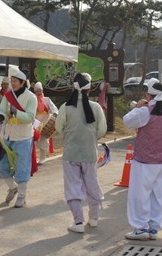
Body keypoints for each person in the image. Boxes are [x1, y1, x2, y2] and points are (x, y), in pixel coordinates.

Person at [122, 78, 162, 240]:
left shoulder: (145, 112)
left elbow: (127, 121)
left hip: (144, 160)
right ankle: (154, 227)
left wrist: (138, 106)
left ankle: (140, 227)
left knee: (139, 195)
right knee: (158, 196)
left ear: (148, 95)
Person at [55, 73, 107, 233]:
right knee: (92, 184)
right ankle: (94, 218)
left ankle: (78, 222)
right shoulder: (96, 107)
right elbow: (102, 130)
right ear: (89, 89)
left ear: (74, 87)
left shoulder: (65, 107)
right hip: (90, 153)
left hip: (71, 153)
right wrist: (91, 137)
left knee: (73, 187)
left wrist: (69, 135)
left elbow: (58, 127)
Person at [0, 70, 37, 208]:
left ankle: (22, 196)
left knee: (22, 167)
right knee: (1, 164)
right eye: (11, 80)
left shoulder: (31, 97)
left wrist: (15, 112)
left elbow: (30, 117)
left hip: (24, 136)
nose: (12, 83)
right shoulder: (8, 96)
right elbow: (2, 109)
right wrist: (1, 116)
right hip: (8, 135)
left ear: (22, 82)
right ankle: (12, 187)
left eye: (15, 81)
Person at [34, 82, 58, 165]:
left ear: (42, 90)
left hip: (45, 121)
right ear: (35, 92)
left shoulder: (47, 99)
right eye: (37, 91)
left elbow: (53, 108)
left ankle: (42, 158)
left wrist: (55, 114)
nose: (39, 92)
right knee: (33, 140)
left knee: (43, 140)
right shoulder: (33, 99)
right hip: (36, 122)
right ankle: (32, 158)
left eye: (40, 90)